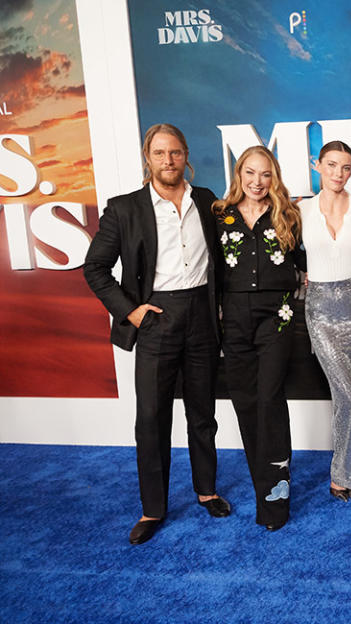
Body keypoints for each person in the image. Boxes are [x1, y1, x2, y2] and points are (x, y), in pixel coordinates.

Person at [83, 123, 230, 545]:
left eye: (176, 153)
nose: (169, 161)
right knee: (151, 419)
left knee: (202, 414)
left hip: (201, 315)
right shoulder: (124, 208)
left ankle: (207, 491)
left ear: (187, 157)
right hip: (155, 319)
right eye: (160, 153)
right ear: (148, 158)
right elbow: (95, 268)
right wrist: (131, 312)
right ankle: (153, 509)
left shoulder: (206, 201)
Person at [212, 145, 302, 531]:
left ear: (274, 177)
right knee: (245, 403)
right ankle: (260, 484)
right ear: (239, 174)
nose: (257, 182)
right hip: (232, 317)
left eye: (265, 174)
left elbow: (306, 265)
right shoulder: (218, 216)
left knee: (269, 400)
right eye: (250, 173)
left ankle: (275, 501)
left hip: (276, 317)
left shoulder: (289, 215)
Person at [301, 141, 351, 501]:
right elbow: (284, 253)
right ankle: (341, 474)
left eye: (346, 167)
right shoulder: (299, 210)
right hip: (319, 309)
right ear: (317, 165)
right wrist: (299, 275)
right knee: (346, 395)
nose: (338, 173)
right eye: (332, 165)